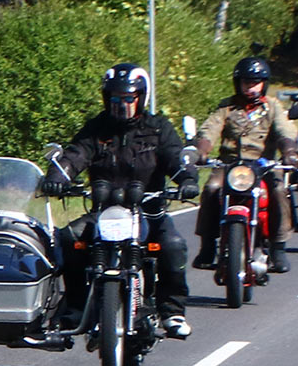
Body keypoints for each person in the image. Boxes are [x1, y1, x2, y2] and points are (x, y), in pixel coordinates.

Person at [40, 62, 199, 339]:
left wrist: (186, 179)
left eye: (128, 99)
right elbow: (75, 155)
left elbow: (175, 156)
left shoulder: (157, 128)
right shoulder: (96, 130)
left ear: (141, 97)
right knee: (68, 239)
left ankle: (171, 311)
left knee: (173, 246)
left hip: (148, 212)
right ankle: (76, 306)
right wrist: (57, 176)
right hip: (104, 211)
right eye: (115, 99)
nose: (121, 105)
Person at [189, 56, 298, 272]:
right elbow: (210, 129)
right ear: (238, 83)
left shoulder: (273, 107)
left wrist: (289, 150)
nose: (250, 87)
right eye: (246, 82)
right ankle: (208, 246)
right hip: (229, 165)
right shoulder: (227, 107)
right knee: (211, 189)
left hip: (263, 165)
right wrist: (201, 150)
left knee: (278, 189)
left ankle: (278, 247)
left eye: (255, 82)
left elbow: (284, 130)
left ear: (264, 83)